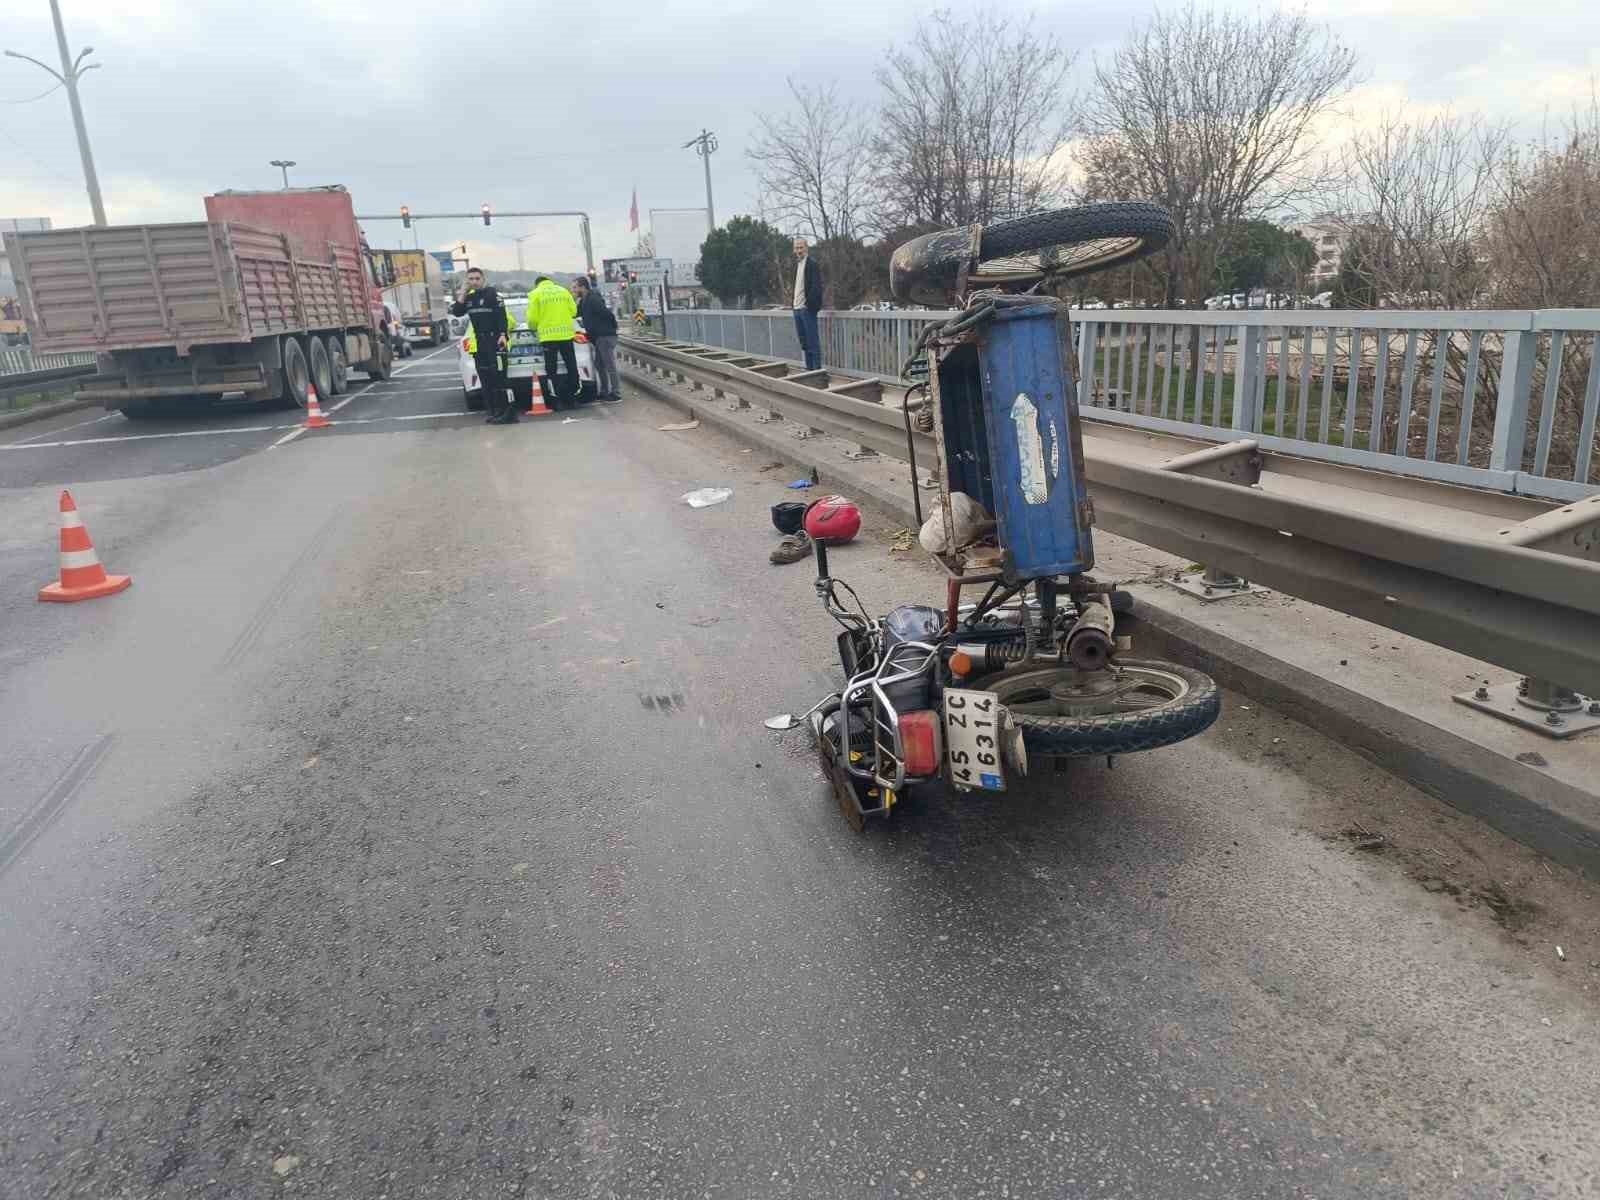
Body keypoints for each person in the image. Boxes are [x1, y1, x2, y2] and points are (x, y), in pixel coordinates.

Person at [450, 268, 516, 423]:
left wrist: (502, 335)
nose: (474, 281)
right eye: (471, 279)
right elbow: (457, 312)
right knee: (486, 380)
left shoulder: (493, 295)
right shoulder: (469, 298)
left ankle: (508, 413)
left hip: (495, 342)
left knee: (500, 380)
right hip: (480, 344)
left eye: (477, 278)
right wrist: (462, 292)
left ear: (483, 279)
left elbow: (502, 317)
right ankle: (493, 412)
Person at [528, 275, 580, 410]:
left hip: (548, 338)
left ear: (537, 285)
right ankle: (573, 398)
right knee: (571, 366)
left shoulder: (535, 294)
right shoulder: (563, 291)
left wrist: (534, 328)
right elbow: (574, 311)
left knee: (551, 370)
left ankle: (556, 401)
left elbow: (533, 318)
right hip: (566, 335)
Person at [573, 276, 621, 404]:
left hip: (604, 336)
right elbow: (574, 314)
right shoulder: (583, 301)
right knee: (599, 365)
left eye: (575, 287)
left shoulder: (593, 299)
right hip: (598, 337)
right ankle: (604, 392)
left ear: (583, 287)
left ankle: (616, 393)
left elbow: (607, 314)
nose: (573, 290)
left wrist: (612, 328)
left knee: (609, 365)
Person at [791, 237, 823, 371]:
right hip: (796, 309)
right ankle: (809, 371)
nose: (799, 250)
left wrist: (808, 305)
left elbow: (816, 287)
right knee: (804, 342)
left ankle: (817, 372)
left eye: (801, 247)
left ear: (806, 248)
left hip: (807, 309)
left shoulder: (812, 264)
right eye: (796, 248)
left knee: (812, 342)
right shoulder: (796, 266)